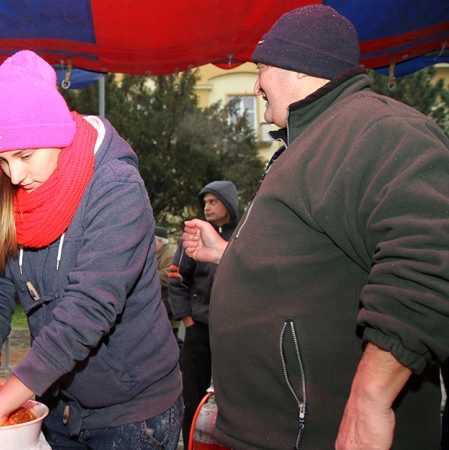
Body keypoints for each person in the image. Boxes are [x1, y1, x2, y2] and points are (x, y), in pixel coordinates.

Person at [181, 5, 449, 449]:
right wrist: (229, 256)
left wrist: (369, 399)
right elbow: (316, 266)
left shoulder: (378, 128)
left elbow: (431, 255)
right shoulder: (313, 138)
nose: (256, 85)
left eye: (261, 69)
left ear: (298, 68)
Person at [0, 50, 182, 449]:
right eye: (2, 160)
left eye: (25, 156)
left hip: (133, 414)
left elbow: (88, 309)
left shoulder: (116, 186)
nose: (14, 175)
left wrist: (3, 404)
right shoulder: (7, 191)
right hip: (57, 403)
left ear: (57, 135)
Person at [168, 180, 238, 449]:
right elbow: (175, 278)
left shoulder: (244, 233)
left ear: (228, 204)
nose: (206, 207)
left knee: (232, 397)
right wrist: (187, 317)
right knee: (192, 397)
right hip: (198, 328)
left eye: (213, 201)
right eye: (205, 202)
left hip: (232, 330)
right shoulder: (194, 236)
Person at [154, 226, 180, 344]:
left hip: (168, 310)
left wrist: (147, 276)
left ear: (159, 242)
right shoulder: (158, 254)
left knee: (171, 343)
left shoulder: (168, 255)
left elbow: (168, 276)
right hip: (164, 310)